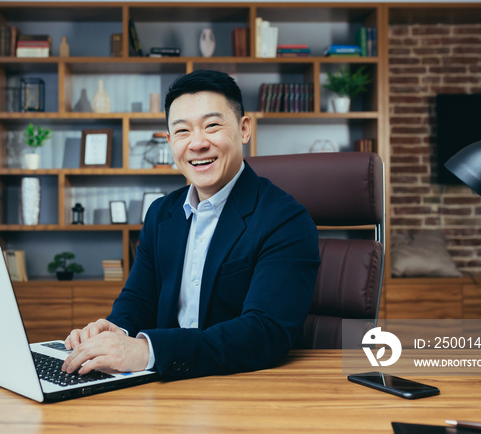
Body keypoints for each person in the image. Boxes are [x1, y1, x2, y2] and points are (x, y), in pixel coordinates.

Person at [62, 70, 320, 379]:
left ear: (244, 129)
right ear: (170, 142)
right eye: (182, 132)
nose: (197, 144)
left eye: (212, 126)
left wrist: (147, 351)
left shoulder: (285, 218)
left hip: (242, 387)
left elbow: (265, 332)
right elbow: (139, 299)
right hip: (166, 386)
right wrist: (115, 331)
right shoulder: (161, 213)